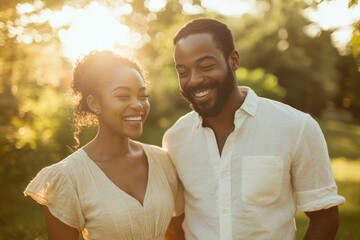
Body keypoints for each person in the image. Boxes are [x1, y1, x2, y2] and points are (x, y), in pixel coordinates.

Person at [163, 18, 345, 240]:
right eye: (183, 72)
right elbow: (175, 221)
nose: (194, 80)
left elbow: (325, 216)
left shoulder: (297, 127)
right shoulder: (174, 139)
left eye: (206, 66)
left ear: (233, 60)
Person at [24, 50, 180, 240]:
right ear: (94, 103)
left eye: (142, 95)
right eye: (123, 96)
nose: (138, 105)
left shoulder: (163, 161)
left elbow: (176, 233)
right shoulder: (67, 178)